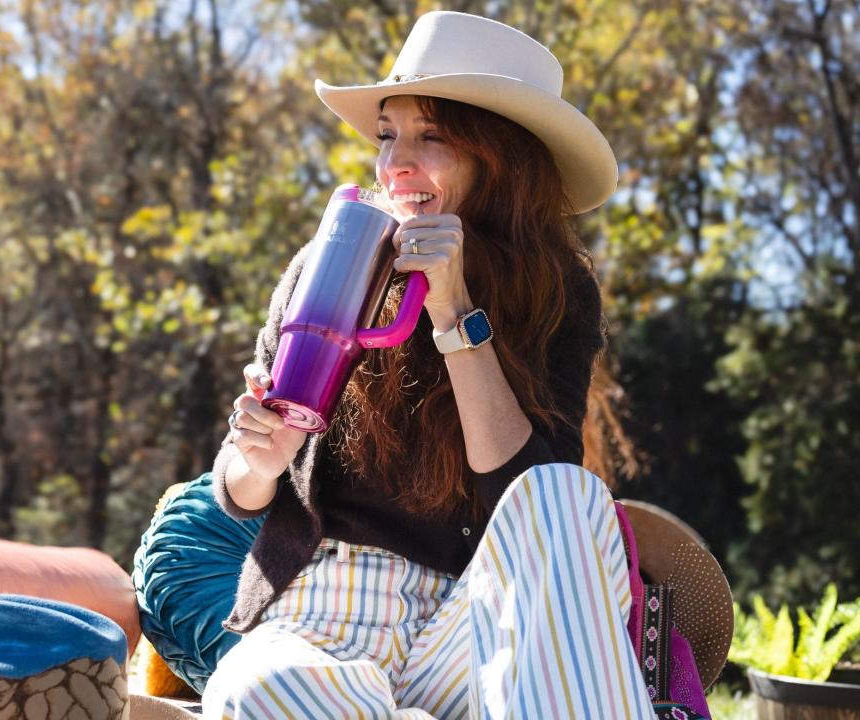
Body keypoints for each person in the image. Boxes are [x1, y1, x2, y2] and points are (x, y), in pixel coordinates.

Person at [202, 11, 657, 720]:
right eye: (388, 136)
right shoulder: (329, 264)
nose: (395, 164)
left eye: (432, 137)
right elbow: (236, 490)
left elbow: (532, 500)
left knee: (572, 498)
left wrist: (454, 313)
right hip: (328, 614)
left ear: (498, 157)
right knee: (257, 689)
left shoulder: (558, 291)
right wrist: (261, 456)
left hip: (474, 621)